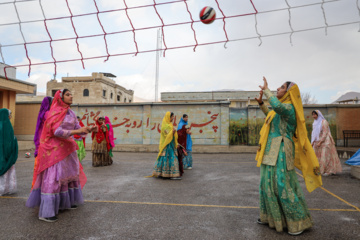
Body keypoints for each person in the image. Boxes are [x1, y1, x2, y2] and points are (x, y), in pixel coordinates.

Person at [255, 77, 322, 235]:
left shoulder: (290, 108)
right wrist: (261, 103)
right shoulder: (280, 109)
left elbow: (277, 108)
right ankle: (271, 217)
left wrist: (266, 90)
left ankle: (297, 222)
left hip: (283, 151)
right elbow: (271, 115)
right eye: (277, 87)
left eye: (281, 87)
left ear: (289, 92)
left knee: (282, 185)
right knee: (267, 184)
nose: (278, 89)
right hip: (271, 151)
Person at [26, 89, 89, 223]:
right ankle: (46, 213)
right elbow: (56, 131)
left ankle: (64, 203)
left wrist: (88, 129)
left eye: (71, 94)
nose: (71, 96)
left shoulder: (70, 112)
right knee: (54, 178)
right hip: (54, 150)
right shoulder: (54, 112)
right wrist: (77, 130)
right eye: (68, 94)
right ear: (60, 98)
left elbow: (78, 129)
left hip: (68, 150)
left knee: (67, 176)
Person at [311, 110, 342, 176]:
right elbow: (314, 134)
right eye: (312, 115)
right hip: (318, 141)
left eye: (314, 114)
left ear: (318, 115)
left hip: (325, 141)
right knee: (318, 156)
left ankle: (328, 171)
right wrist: (313, 142)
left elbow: (325, 132)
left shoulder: (323, 122)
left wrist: (321, 141)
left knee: (325, 156)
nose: (313, 116)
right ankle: (320, 170)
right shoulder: (314, 123)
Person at [152, 112, 181, 180]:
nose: (173, 118)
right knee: (168, 158)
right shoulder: (165, 125)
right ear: (168, 117)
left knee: (169, 158)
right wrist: (173, 132)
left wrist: (173, 133)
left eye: (173, 116)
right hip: (166, 145)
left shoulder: (170, 124)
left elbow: (171, 135)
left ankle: (166, 174)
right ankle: (170, 174)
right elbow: (166, 135)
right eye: (172, 117)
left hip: (171, 144)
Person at [32, 96, 52, 189]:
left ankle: (37, 188)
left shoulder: (42, 113)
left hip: (41, 143)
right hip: (46, 144)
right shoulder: (48, 114)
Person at [0, 109, 18, 196]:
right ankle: (5, 189)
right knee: (7, 172)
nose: (10, 117)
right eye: (9, 115)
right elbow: (9, 142)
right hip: (6, 155)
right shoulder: (7, 126)